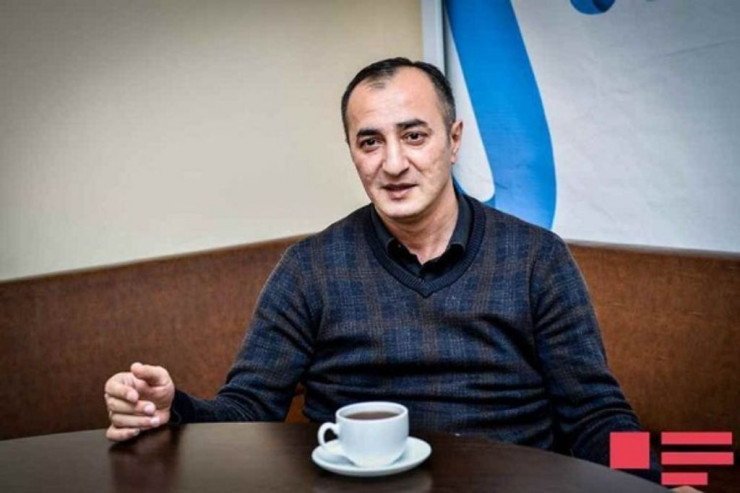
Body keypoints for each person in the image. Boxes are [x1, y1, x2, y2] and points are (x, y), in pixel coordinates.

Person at [104, 57, 694, 490]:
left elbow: (594, 417)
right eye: (370, 142)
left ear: (454, 140)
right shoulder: (309, 268)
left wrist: (662, 479)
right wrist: (172, 410)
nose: (393, 163)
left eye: (414, 135)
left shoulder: (538, 258)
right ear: (351, 151)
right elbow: (247, 413)